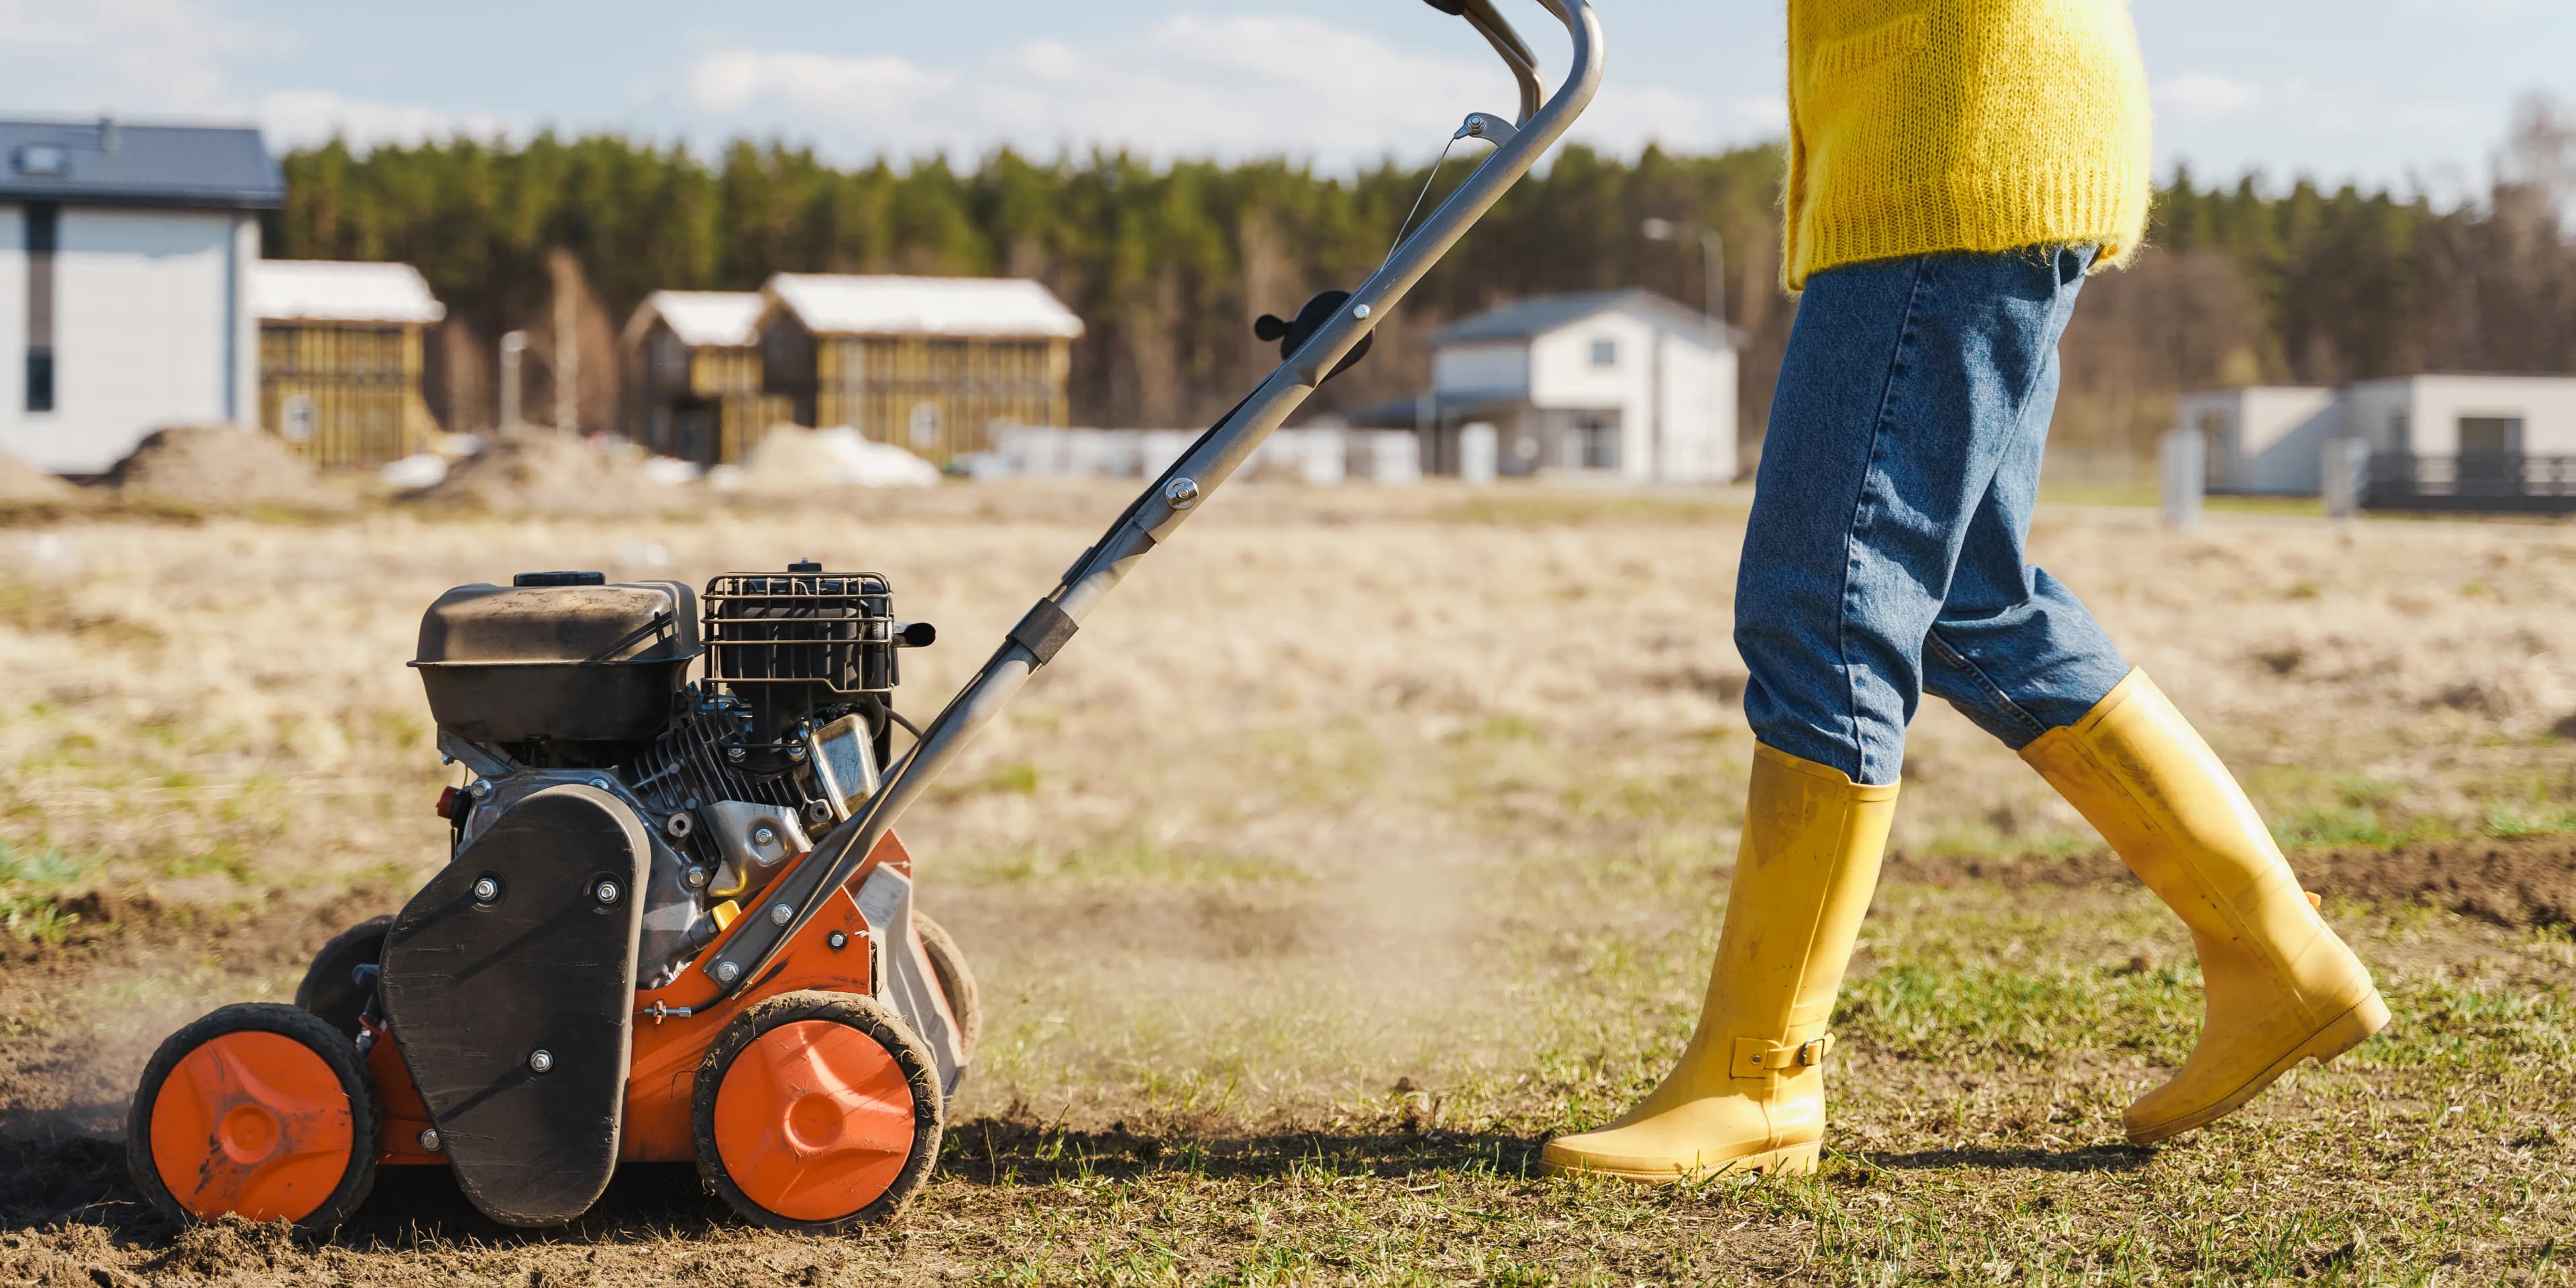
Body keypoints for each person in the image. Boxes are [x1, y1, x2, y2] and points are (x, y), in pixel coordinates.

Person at [1540, 0, 2388, 1181]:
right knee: (1971, 601)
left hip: (1953, 144)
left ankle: (1757, 1073)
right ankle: (2276, 958)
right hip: (1982, 133)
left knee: (1828, 593)